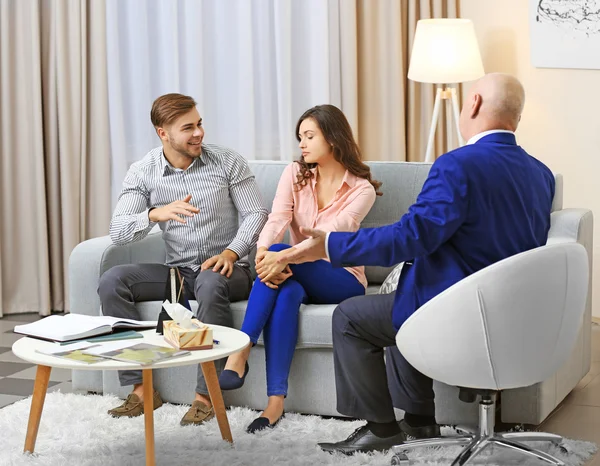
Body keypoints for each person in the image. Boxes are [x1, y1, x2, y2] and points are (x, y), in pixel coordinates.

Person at [277, 73, 556, 454]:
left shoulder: (457, 165)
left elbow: (410, 237)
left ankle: (381, 428)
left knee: (353, 318)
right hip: (512, 317)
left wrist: (329, 244)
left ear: (473, 103)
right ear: (516, 117)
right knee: (402, 297)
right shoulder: (539, 173)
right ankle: (420, 422)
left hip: (460, 315)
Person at [98, 93, 268, 426]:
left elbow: (256, 212)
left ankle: (206, 396)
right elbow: (118, 232)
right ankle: (141, 389)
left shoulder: (226, 161)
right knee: (112, 281)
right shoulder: (144, 172)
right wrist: (153, 214)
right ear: (163, 133)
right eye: (187, 128)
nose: (198, 133)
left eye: (199, 124)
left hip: (229, 270)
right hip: (178, 273)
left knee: (209, 280)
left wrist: (232, 251)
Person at [217, 104, 381, 434]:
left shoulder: (361, 189)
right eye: (300, 137)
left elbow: (328, 238)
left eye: (309, 136)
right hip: (294, 271)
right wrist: (264, 253)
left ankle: (242, 349)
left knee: (280, 255)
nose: (301, 144)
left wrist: (282, 256)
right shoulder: (295, 174)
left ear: (333, 139)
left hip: (341, 277)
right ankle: (275, 402)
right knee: (287, 291)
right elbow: (277, 218)